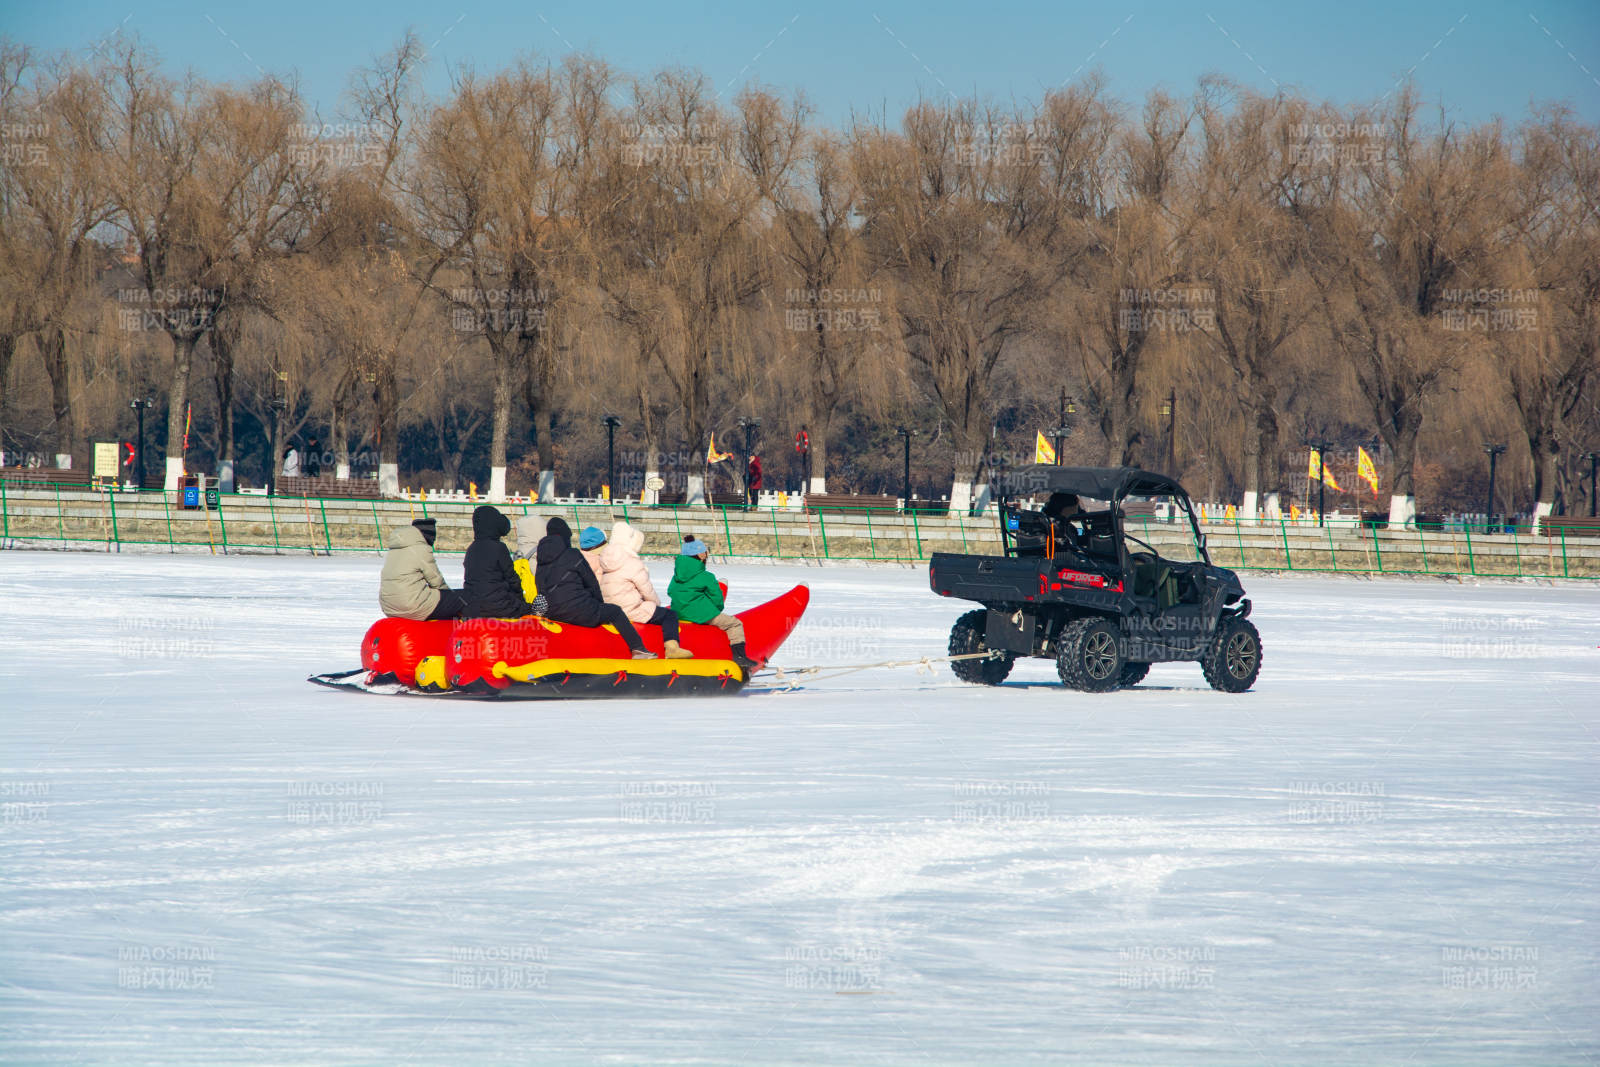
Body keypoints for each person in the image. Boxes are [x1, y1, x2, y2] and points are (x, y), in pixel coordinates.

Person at [535, 516, 656, 659]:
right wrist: (598, 605)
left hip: (553, 611)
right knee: (615, 611)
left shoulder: (541, 558)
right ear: (565, 536)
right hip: (577, 609)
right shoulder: (573, 554)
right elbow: (591, 583)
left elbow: (539, 585)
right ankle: (638, 649)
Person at [599, 521, 693, 659]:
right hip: (630, 609)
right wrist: (656, 604)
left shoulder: (605, 559)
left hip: (611, 608)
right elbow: (647, 590)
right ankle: (672, 648)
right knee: (670, 615)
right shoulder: (632, 562)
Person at [669, 537, 756, 668]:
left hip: (678, 612)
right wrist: (713, 611)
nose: (707, 554)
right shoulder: (706, 576)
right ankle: (740, 657)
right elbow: (717, 599)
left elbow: (671, 591)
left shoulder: (676, 575)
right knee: (734, 624)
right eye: (706, 551)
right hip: (700, 614)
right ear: (700, 554)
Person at [379, 518, 465, 621]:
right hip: (410, 606)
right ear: (428, 536)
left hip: (389, 607)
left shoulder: (395, 549)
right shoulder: (421, 549)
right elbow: (436, 581)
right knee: (463, 597)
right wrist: (450, 598)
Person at [462, 505, 534, 619]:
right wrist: (521, 602)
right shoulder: (499, 548)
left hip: (472, 607)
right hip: (498, 607)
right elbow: (512, 579)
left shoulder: (471, 549)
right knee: (531, 608)